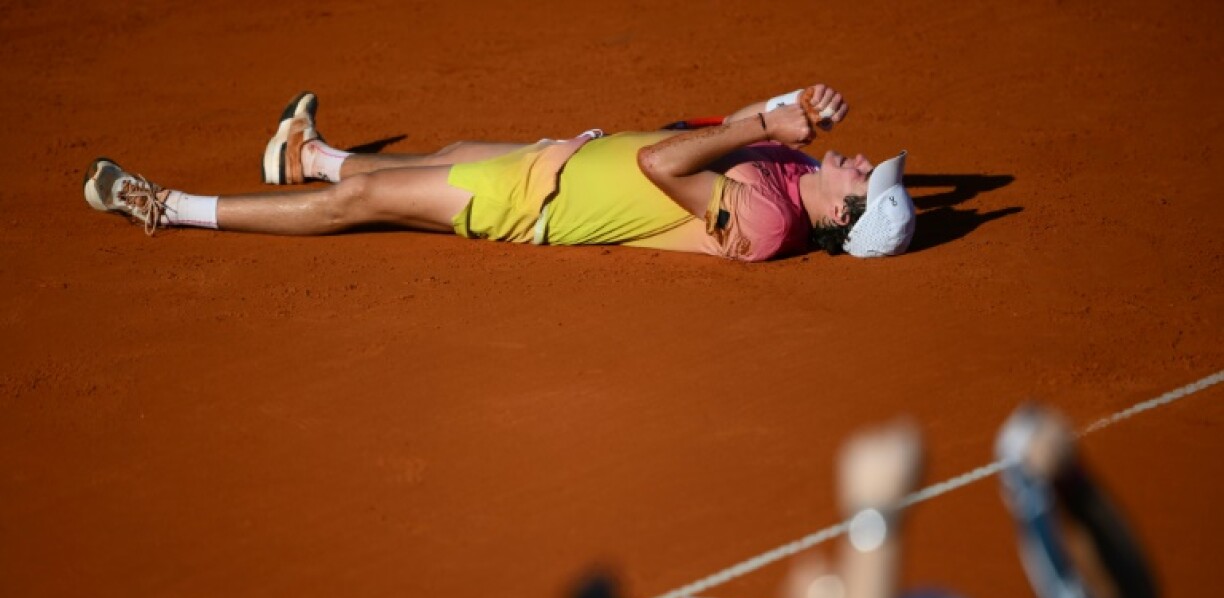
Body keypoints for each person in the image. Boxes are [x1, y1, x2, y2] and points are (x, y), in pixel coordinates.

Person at [82, 84, 915, 261]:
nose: (863, 165)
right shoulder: (796, 167)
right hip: (562, 159)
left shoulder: (771, 223)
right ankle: (305, 156)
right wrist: (786, 107)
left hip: (533, 205)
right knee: (442, 155)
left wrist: (764, 122)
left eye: (865, 186)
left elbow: (665, 163)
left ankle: (168, 207)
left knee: (364, 202)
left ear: (842, 220)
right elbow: (686, 130)